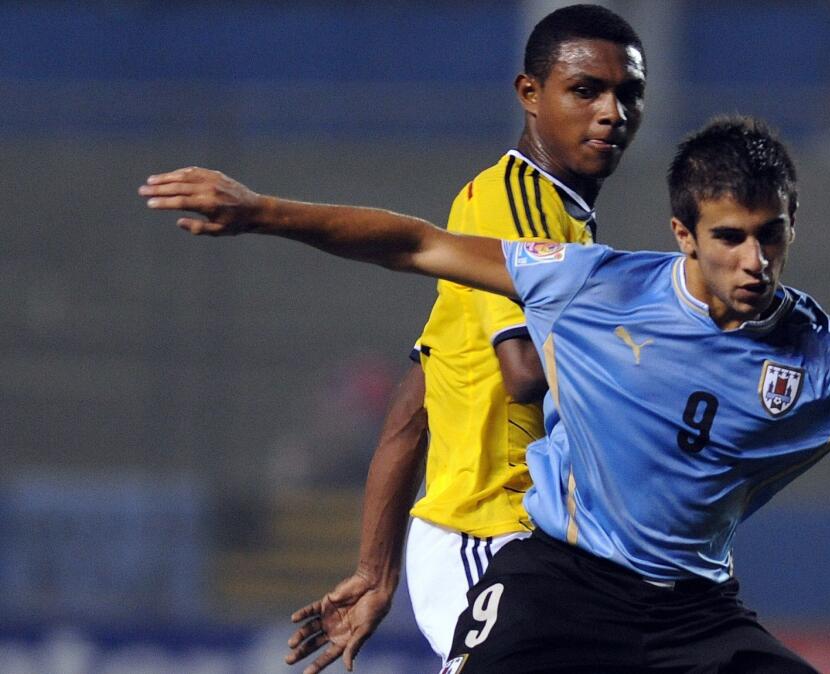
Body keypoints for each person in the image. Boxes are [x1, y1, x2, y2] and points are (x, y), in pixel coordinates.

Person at [141, 116, 830, 672]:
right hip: (559, 584)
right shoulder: (591, 284)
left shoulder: (826, 351)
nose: (755, 260)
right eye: (731, 237)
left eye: (772, 234)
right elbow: (416, 241)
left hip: (694, 614)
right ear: (683, 234)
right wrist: (263, 209)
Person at [157, 5, 644, 672]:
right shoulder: (514, 201)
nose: (612, 111)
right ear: (529, 94)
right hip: (495, 534)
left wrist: (376, 569)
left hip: (502, 542)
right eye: (587, 89)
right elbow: (528, 369)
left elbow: (413, 407)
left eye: (629, 92)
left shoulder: (560, 223)